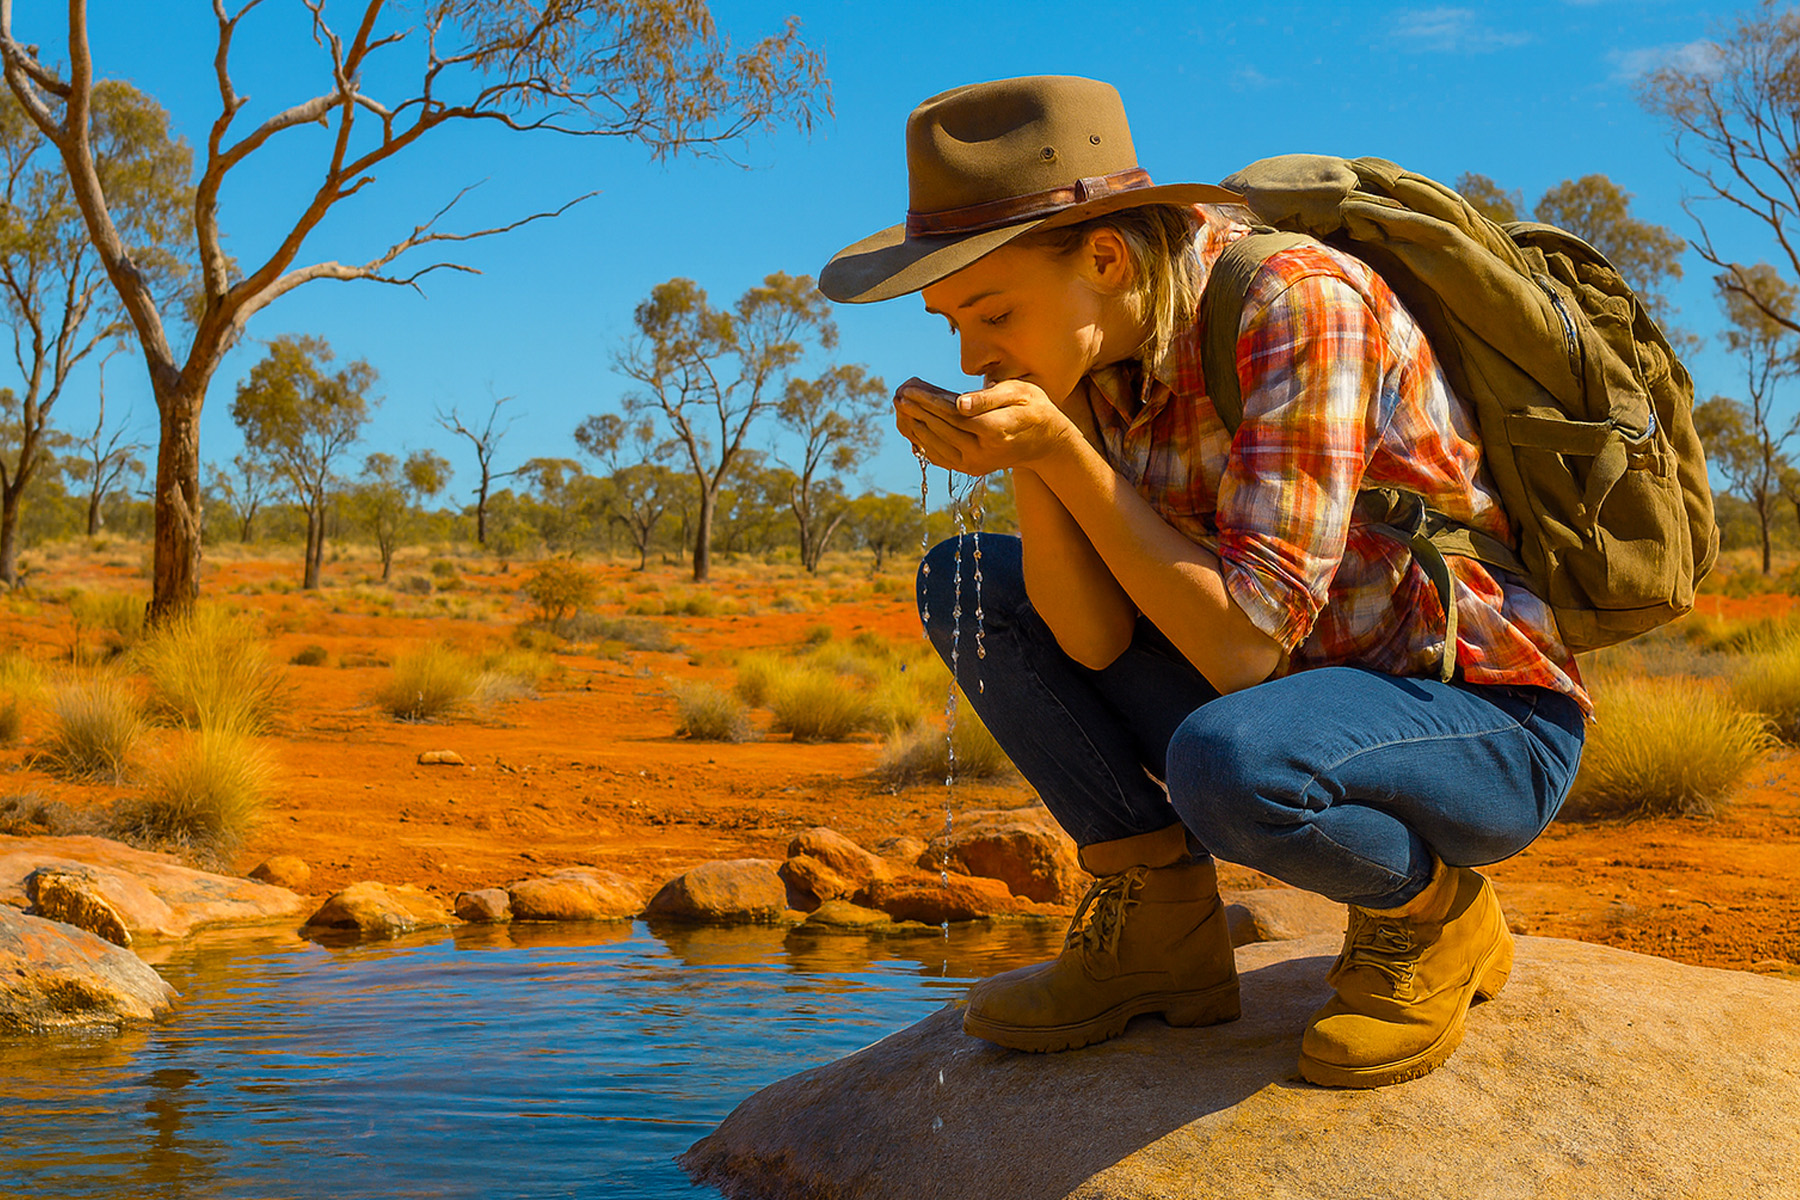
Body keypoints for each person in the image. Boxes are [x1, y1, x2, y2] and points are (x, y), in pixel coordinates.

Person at [818, 75, 1587, 1089]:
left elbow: (1241, 650)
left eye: (992, 311)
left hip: (1471, 721)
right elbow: (1090, 641)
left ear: (1105, 258)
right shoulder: (1097, 350)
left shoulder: (1299, 303)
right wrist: (1041, 453)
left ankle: (1436, 914)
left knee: (1228, 762)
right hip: (1283, 703)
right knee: (970, 582)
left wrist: (1062, 450)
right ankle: (1160, 925)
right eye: (950, 323)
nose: (971, 355)